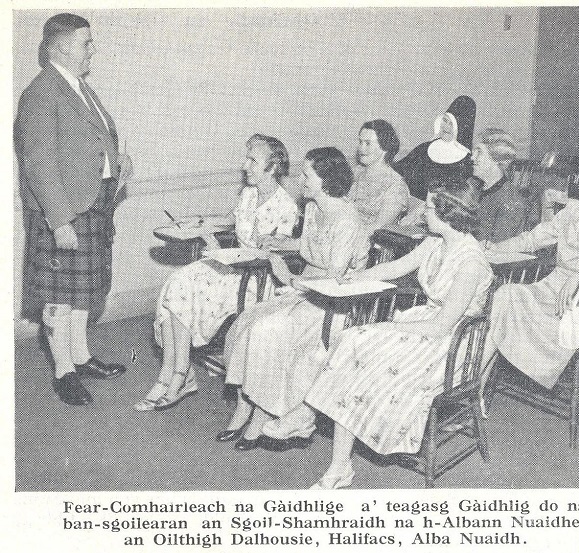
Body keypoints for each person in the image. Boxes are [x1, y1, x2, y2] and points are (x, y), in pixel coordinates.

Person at [306, 182, 493, 489]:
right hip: (423, 324)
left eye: (429, 208)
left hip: (448, 344)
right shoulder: (437, 240)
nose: (422, 212)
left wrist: (386, 327)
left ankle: (333, 450)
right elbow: (397, 267)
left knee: (359, 344)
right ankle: (339, 465)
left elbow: (441, 327)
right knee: (354, 344)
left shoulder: (470, 262)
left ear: (449, 213)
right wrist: (357, 276)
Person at [15, 13, 134, 406]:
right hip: (65, 209)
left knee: (85, 290)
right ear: (62, 47)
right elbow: (39, 162)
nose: (92, 49)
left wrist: (116, 161)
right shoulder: (41, 93)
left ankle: (81, 358)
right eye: (86, 42)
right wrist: (59, 220)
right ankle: (64, 372)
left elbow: (90, 140)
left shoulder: (79, 87)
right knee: (60, 296)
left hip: (93, 203)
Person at [218, 147, 370, 451]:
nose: (300, 179)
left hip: (333, 305)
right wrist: (284, 242)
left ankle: (260, 415)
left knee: (267, 331)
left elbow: (333, 278)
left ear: (325, 179)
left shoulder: (347, 221)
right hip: (305, 292)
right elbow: (311, 242)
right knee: (248, 320)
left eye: (307, 174)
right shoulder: (314, 208)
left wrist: (288, 278)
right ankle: (245, 405)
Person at [133, 135, 298, 411]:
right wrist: (202, 226)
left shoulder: (286, 207)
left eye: (252, 161)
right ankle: (173, 372)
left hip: (256, 278)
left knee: (189, 287)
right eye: (247, 158)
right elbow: (232, 224)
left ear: (272, 168)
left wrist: (240, 252)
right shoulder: (249, 194)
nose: (245, 166)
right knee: (178, 282)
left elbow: (273, 255)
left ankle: (178, 375)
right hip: (232, 267)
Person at [479, 154, 579, 406]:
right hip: (549, 291)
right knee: (506, 294)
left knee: (500, 313)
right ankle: (476, 390)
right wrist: (492, 249)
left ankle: (474, 392)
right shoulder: (571, 212)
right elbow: (531, 239)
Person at [394, 95, 476, 201]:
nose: (446, 127)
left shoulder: (467, 163)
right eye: (445, 120)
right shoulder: (424, 148)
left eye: (452, 124)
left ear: (462, 128)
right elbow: (397, 171)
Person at [471, 128, 532, 242]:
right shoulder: (472, 186)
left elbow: (496, 249)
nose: (472, 157)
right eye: (473, 152)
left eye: (479, 152)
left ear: (497, 158)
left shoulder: (511, 201)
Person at [348, 120, 409, 233]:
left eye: (368, 143)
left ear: (384, 147)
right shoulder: (356, 172)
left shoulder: (396, 185)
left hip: (370, 242)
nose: (361, 148)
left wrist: (344, 233)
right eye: (360, 142)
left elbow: (378, 227)